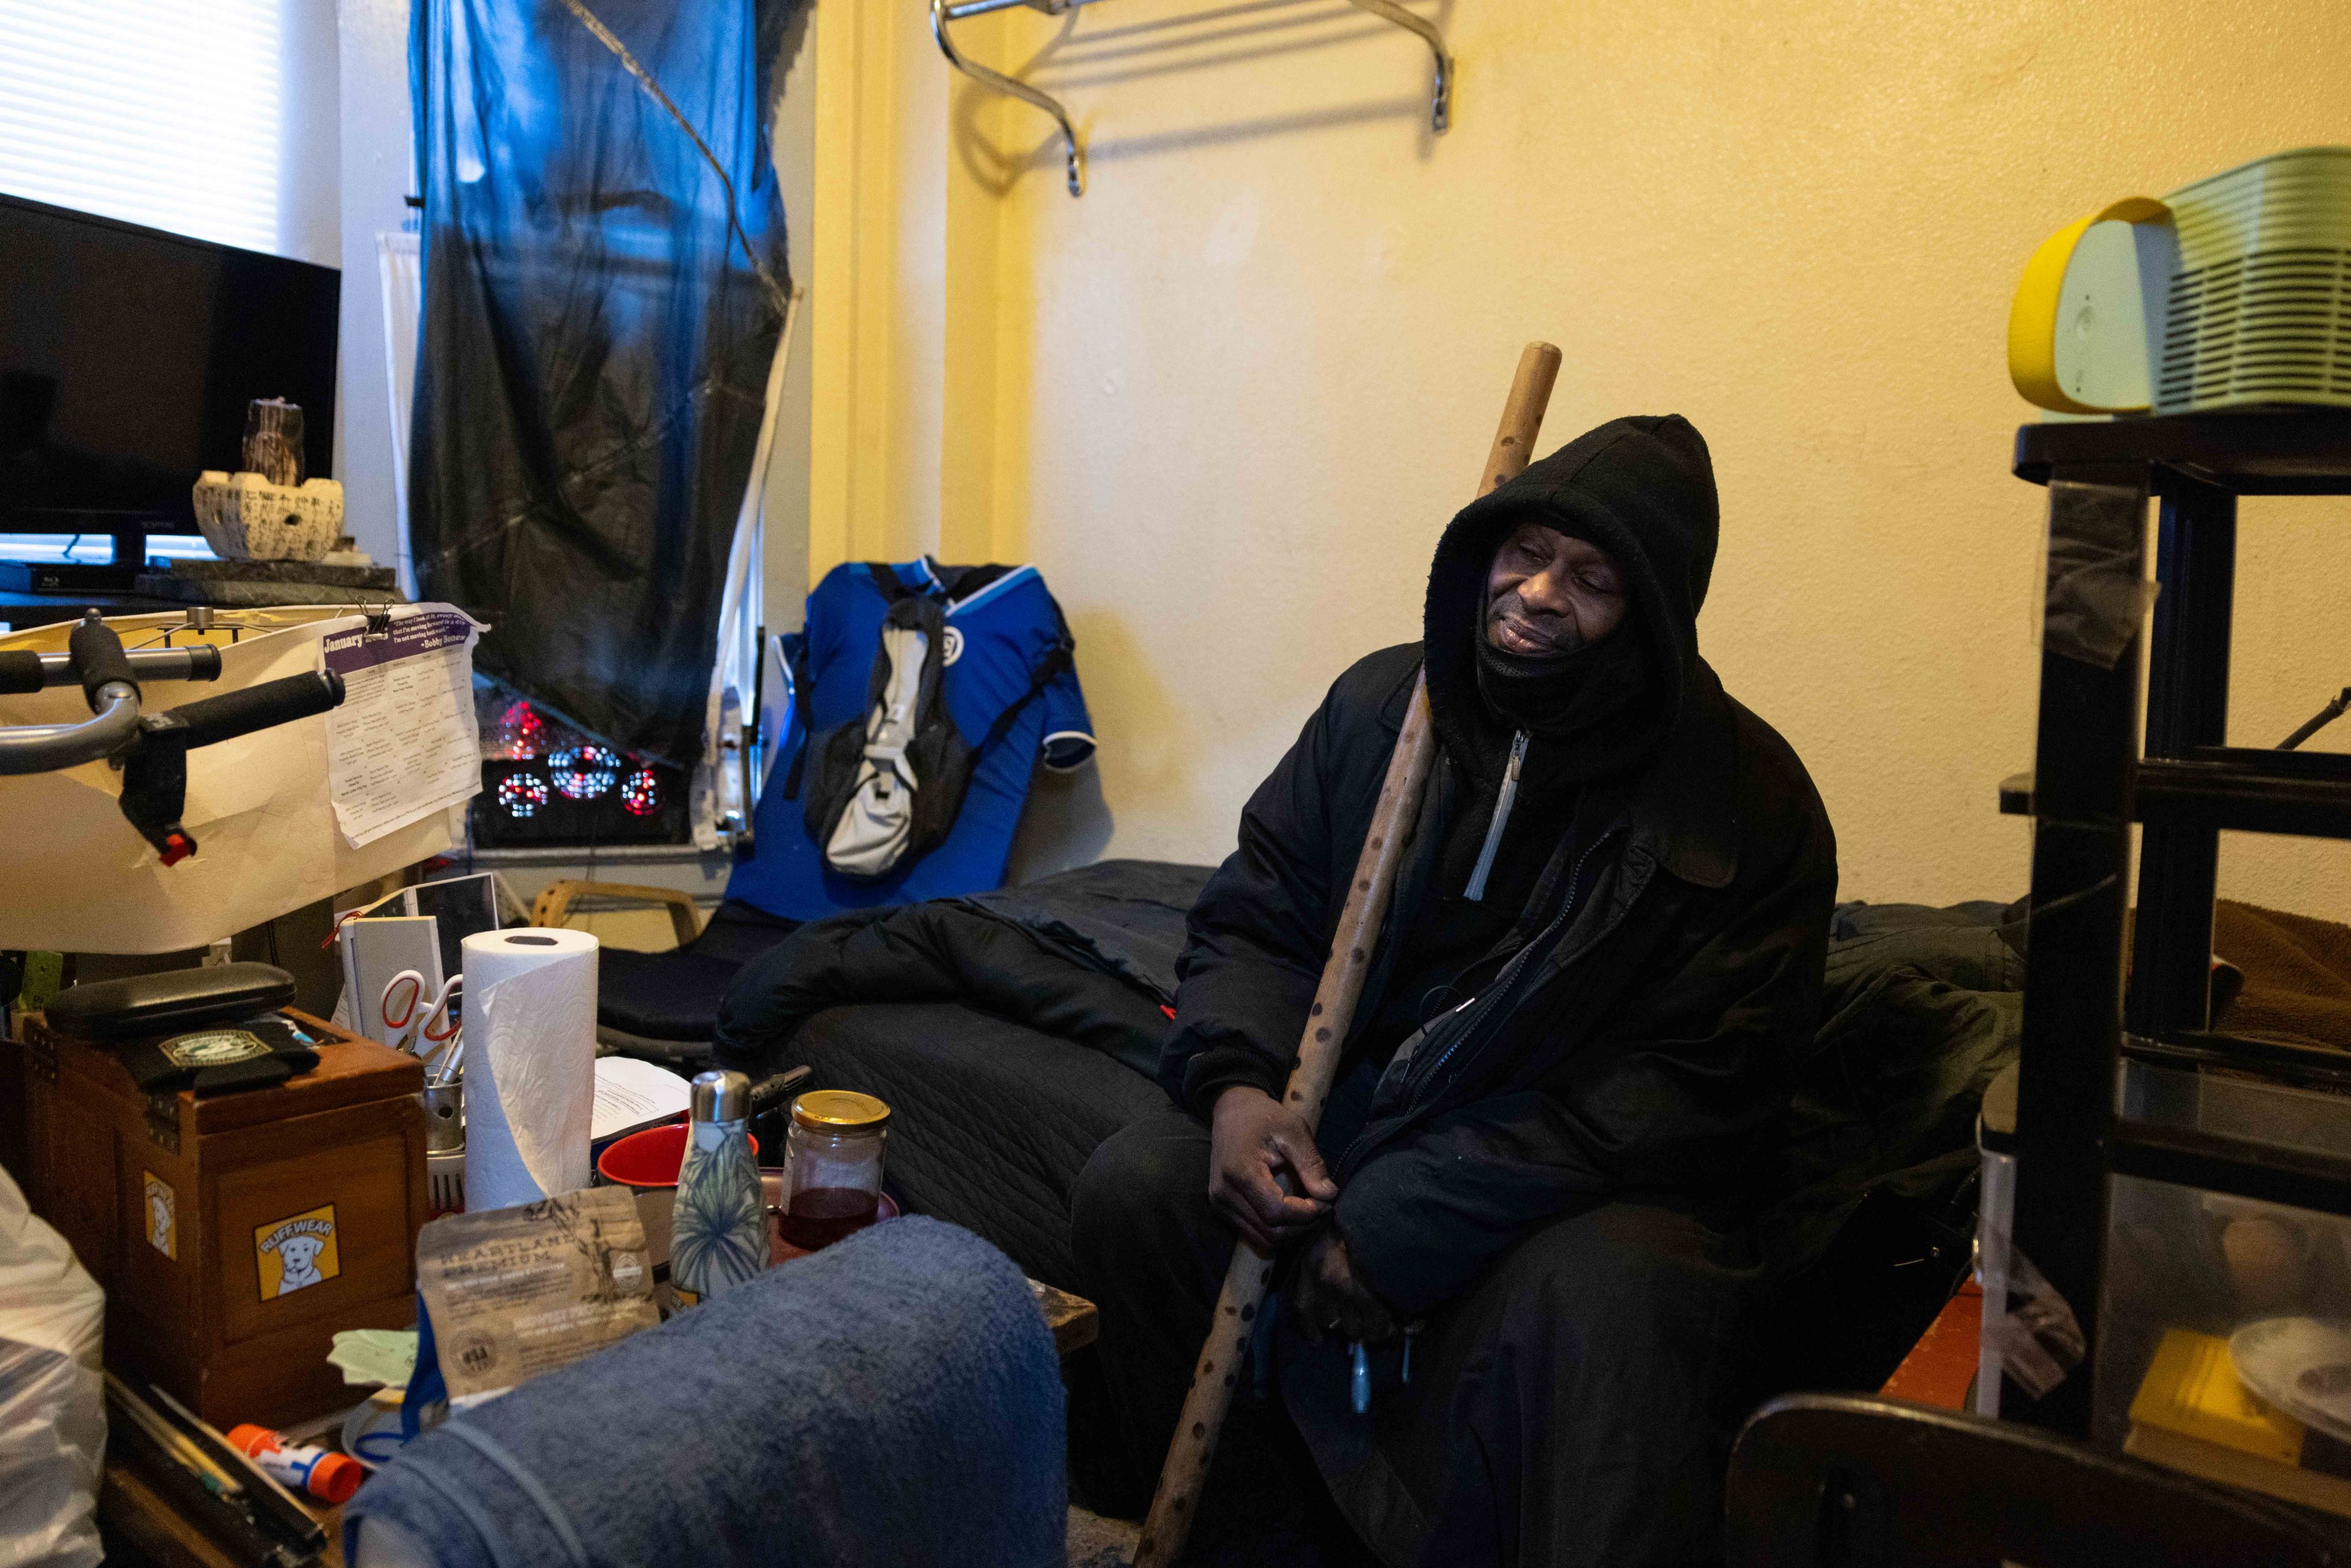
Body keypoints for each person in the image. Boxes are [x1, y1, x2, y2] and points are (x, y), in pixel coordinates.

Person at [1070, 415, 1837, 1566]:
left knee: (1611, 1300)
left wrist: (1408, 1216)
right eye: (1522, 551)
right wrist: (1236, 1086)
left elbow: (1688, 1095)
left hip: (1555, 1172)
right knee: (1139, 1181)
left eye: (1589, 579)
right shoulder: (1386, 709)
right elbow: (1261, 915)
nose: (1533, 594)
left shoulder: (1747, 806)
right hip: (1359, 1117)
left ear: (1655, 621)